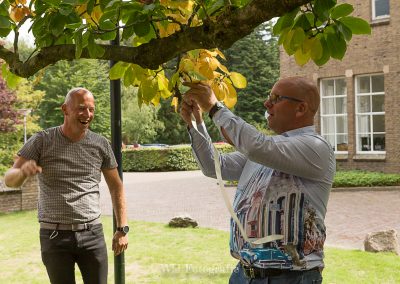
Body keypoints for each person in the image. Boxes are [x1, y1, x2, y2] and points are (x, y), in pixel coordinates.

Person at [180, 77, 335, 284]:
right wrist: (195, 123)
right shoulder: (268, 149)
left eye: (276, 98)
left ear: (301, 108)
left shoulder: (316, 147)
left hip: (292, 278)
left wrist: (215, 108)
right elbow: (214, 166)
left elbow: (257, 146)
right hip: (244, 274)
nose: (267, 103)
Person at [4, 87, 129, 284]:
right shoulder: (42, 141)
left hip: (92, 234)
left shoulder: (100, 144)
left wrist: (122, 229)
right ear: (65, 109)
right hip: (54, 236)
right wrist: (22, 173)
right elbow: (9, 179)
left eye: (91, 109)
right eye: (81, 108)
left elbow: (116, 187)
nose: (87, 114)